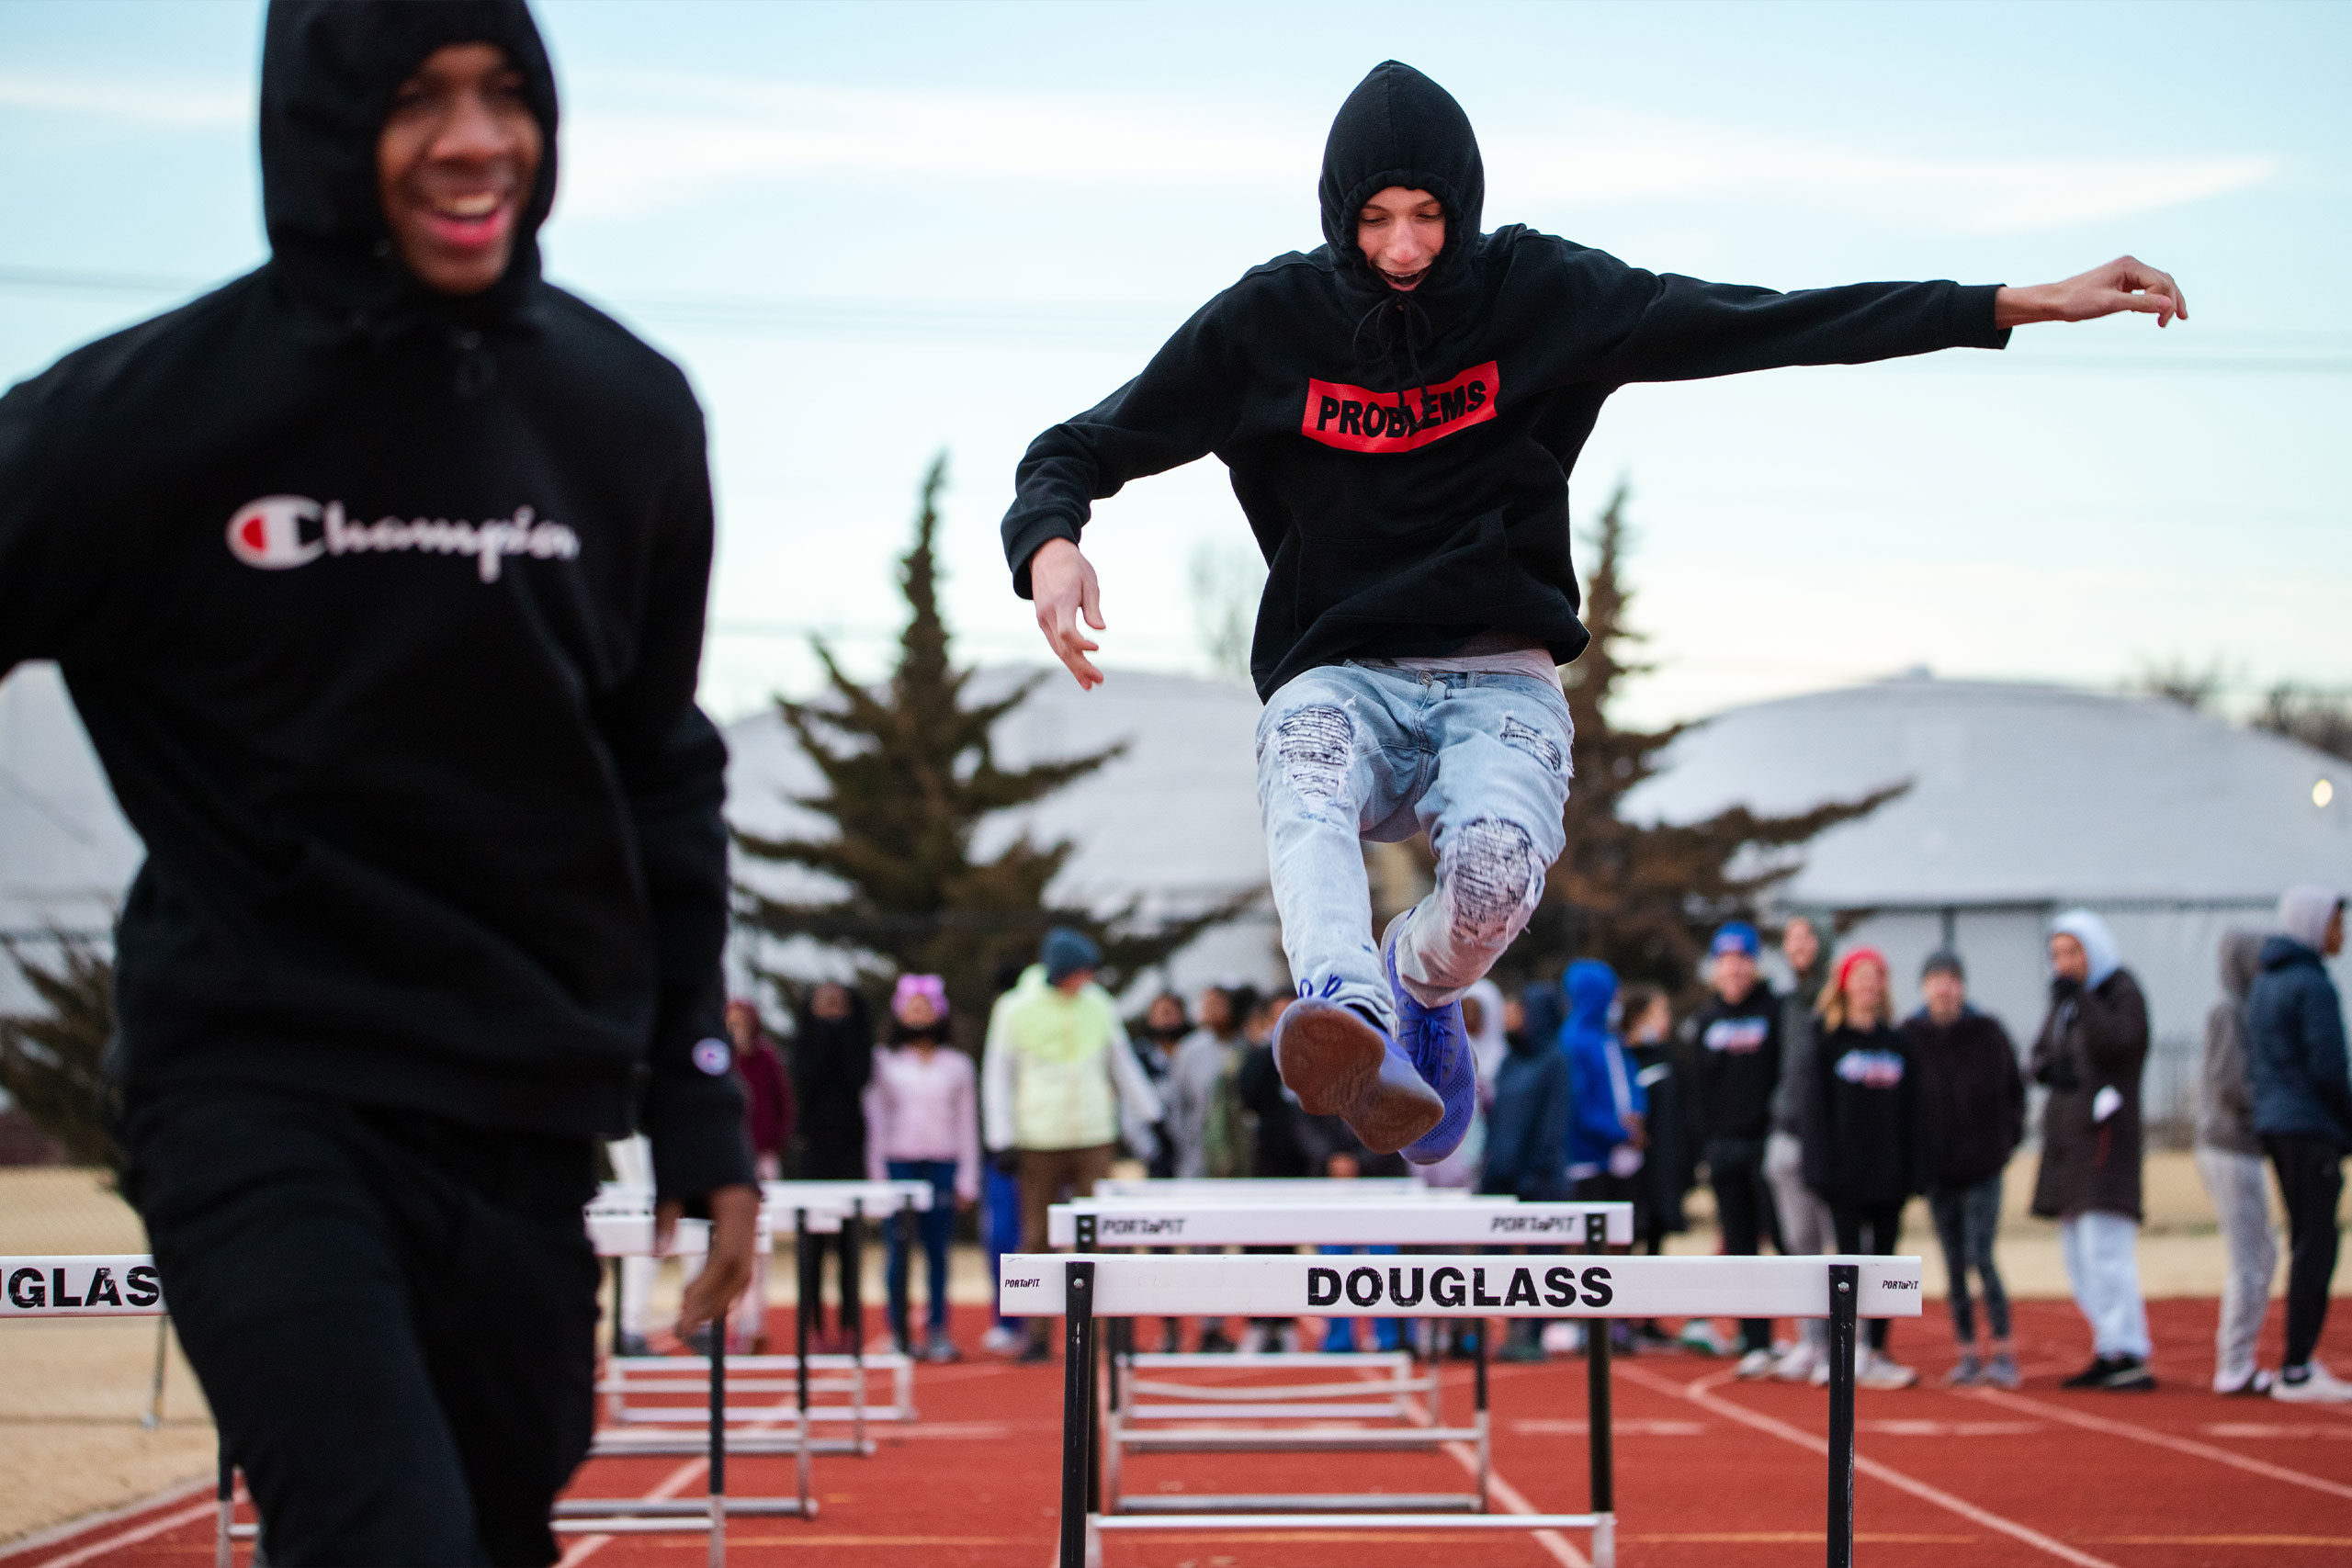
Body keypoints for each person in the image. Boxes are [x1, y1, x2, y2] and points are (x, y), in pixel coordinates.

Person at [1000, 58, 2183, 1177]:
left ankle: (1416, 983)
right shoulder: (1269, 323)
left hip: (1498, 673)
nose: (1404, 249)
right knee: (1303, 769)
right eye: (1375, 222)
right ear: (1337, 215)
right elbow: (1081, 442)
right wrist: (1053, 542)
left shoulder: (1543, 295)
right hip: (1338, 668)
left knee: (1495, 883)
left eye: (1427, 216)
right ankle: (1344, 1004)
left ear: (1463, 206)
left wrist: (2013, 305)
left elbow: (1763, 322)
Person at [0, 5, 760, 1559]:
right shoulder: (148, 418)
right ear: (326, 121)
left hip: (524, 1111)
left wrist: (697, 1100)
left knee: (486, 1527)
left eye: (504, 94)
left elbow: (660, 770)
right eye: (416, 98)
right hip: (258, 1092)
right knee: (383, 1534)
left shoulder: (624, 412)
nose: (475, 140)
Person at [982, 928, 1163, 1360]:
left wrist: (1153, 1118)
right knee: (1037, 1238)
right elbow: (997, 1074)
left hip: (1093, 1138)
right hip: (1037, 1141)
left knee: (1101, 1237)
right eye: (1082, 970)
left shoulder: (1098, 1005)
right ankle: (1038, 1335)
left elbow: (1121, 1064)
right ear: (1062, 971)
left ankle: (1103, 1336)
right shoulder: (1013, 1009)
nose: (1089, 979)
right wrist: (1001, 1138)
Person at [2030, 910, 2155, 1391]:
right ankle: (2109, 1345)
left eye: (2073, 952)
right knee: (2078, 1256)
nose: (2064, 963)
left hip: (2106, 1145)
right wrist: (2048, 1068)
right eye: (2057, 954)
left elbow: (2122, 1043)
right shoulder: (2064, 1004)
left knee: (2106, 1250)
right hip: (2068, 1146)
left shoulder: (2119, 992)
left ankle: (2128, 1349)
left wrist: (2081, 995)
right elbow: (2042, 1053)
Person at [2248, 886, 2351, 1403]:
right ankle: (2297, 1367)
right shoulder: (2312, 985)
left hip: (2278, 1125)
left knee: (2305, 1242)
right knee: (2317, 1245)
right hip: (2309, 1129)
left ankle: (2296, 1363)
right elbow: (2329, 1067)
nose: (2342, 933)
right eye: (2336, 923)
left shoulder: (2265, 983)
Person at [1903, 951, 2023, 1389]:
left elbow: (2015, 1094)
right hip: (1938, 1172)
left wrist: (2003, 1145)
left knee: (1981, 1256)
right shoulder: (1910, 1036)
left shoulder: (1988, 1033)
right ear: (1923, 988)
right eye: (1935, 979)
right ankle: (1968, 1352)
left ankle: (2004, 1350)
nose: (1944, 987)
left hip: (1982, 1167)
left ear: (1963, 986)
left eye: (1952, 979)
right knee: (1952, 1264)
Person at [1802, 949, 1919, 1390]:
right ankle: (1843, 1352)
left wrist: (1914, 1170)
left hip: (1889, 1174)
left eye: (1877, 977)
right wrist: (1821, 1170)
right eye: (1861, 977)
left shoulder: (1899, 1044)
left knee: (1885, 1264)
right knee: (1845, 1266)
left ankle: (1877, 1350)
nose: (1869, 985)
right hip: (1844, 1177)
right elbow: (1815, 1113)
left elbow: (1913, 1112)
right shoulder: (1827, 1041)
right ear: (1845, 983)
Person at [1686, 921, 1786, 1375]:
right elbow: (1699, 1091)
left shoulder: (1775, 1012)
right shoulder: (1705, 1021)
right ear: (1715, 966)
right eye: (1727, 961)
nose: (1735, 969)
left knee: (1786, 1243)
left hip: (1767, 1146)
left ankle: (1811, 1340)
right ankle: (1755, 1339)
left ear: (1755, 963)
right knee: (1741, 1247)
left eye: (1743, 960)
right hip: (1724, 1151)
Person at [865, 975, 979, 1363]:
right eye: (912, 1008)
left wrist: (967, 1177)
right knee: (898, 1249)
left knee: (937, 1252)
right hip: (899, 1163)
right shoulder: (884, 1062)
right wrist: (878, 1177)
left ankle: (938, 1331)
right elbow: (877, 1120)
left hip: (943, 1164)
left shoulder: (958, 1065)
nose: (919, 1016)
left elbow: (967, 1122)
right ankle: (897, 1331)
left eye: (925, 1007)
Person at [2196, 931, 2277, 1396]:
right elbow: (2231, 1085)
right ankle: (2234, 1361)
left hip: (2237, 1146)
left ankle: (2237, 1356)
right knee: (2252, 1255)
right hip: (2230, 1144)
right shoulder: (2229, 1011)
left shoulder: (2243, 1011)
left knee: (2260, 1253)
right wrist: (2275, 1103)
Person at [1482, 984, 1573, 1360]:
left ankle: (1533, 1332)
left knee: (1540, 1260)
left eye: (1518, 1009)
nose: (1510, 1016)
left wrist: (1537, 1170)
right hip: (1500, 1178)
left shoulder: (1555, 1062)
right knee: (1497, 1261)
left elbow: (1553, 1124)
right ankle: (1504, 1331)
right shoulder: (1508, 1060)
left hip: (1540, 1180)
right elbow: (1498, 1118)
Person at [1767, 915, 1837, 1383]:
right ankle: (1811, 1342)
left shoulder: (1836, 1000)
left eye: (1805, 938)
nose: (1798, 947)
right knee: (1797, 1245)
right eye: (1790, 940)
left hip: (1829, 1141)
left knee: (1838, 1245)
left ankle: (1846, 1346)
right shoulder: (1784, 1003)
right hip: (1785, 1135)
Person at [793, 979, 873, 1354]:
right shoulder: (803, 1043)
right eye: (824, 1004)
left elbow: (857, 1077)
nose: (831, 1011)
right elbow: (807, 1079)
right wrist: (825, 1035)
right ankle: (811, 1326)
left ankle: (849, 1325)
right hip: (813, 1152)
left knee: (849, 1246)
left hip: (850, 1151)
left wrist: (840, 1034)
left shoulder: (858, 1041)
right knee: (810, 1248)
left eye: (838, 1004)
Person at [1619, 985, 1690, 1349]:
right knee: (1631, 1238)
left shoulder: (1668, 1056)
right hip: (1633, 1168)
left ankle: (1648, 1318)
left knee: (1657, 1239)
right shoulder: (1622, 1056)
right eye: (1661, 1013)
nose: (1667, 1021)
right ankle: (1623, 1319)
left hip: (1665, 1163)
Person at [723, 998, 794, 1352]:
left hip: (759, 1160)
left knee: (758, 1244)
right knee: (724, 1244)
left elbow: (783, 1105)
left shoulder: (766, 1059)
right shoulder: (716, 1060)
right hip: (722, 1162)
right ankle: (724, 1321)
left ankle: (753, 1321)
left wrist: (770, 1144)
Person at [1561, 960, 1646, 1201]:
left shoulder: (1611, 1038)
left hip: (1621, 1158)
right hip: (1587, 1159)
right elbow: (1579, 1104)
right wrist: (1620, 1133)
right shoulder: (1572, 1042)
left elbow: (1630, 1081)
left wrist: (1638, 1115)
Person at [1132, 991, 1191, 1179]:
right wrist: (1149, 1151)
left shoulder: (1193, 1052)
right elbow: (1131, 1109)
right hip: (1157, 1148)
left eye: (1171, 1013)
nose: (1167, 1020)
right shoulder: (1140, 1057)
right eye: (1161, 1014)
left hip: (1193, 1147)